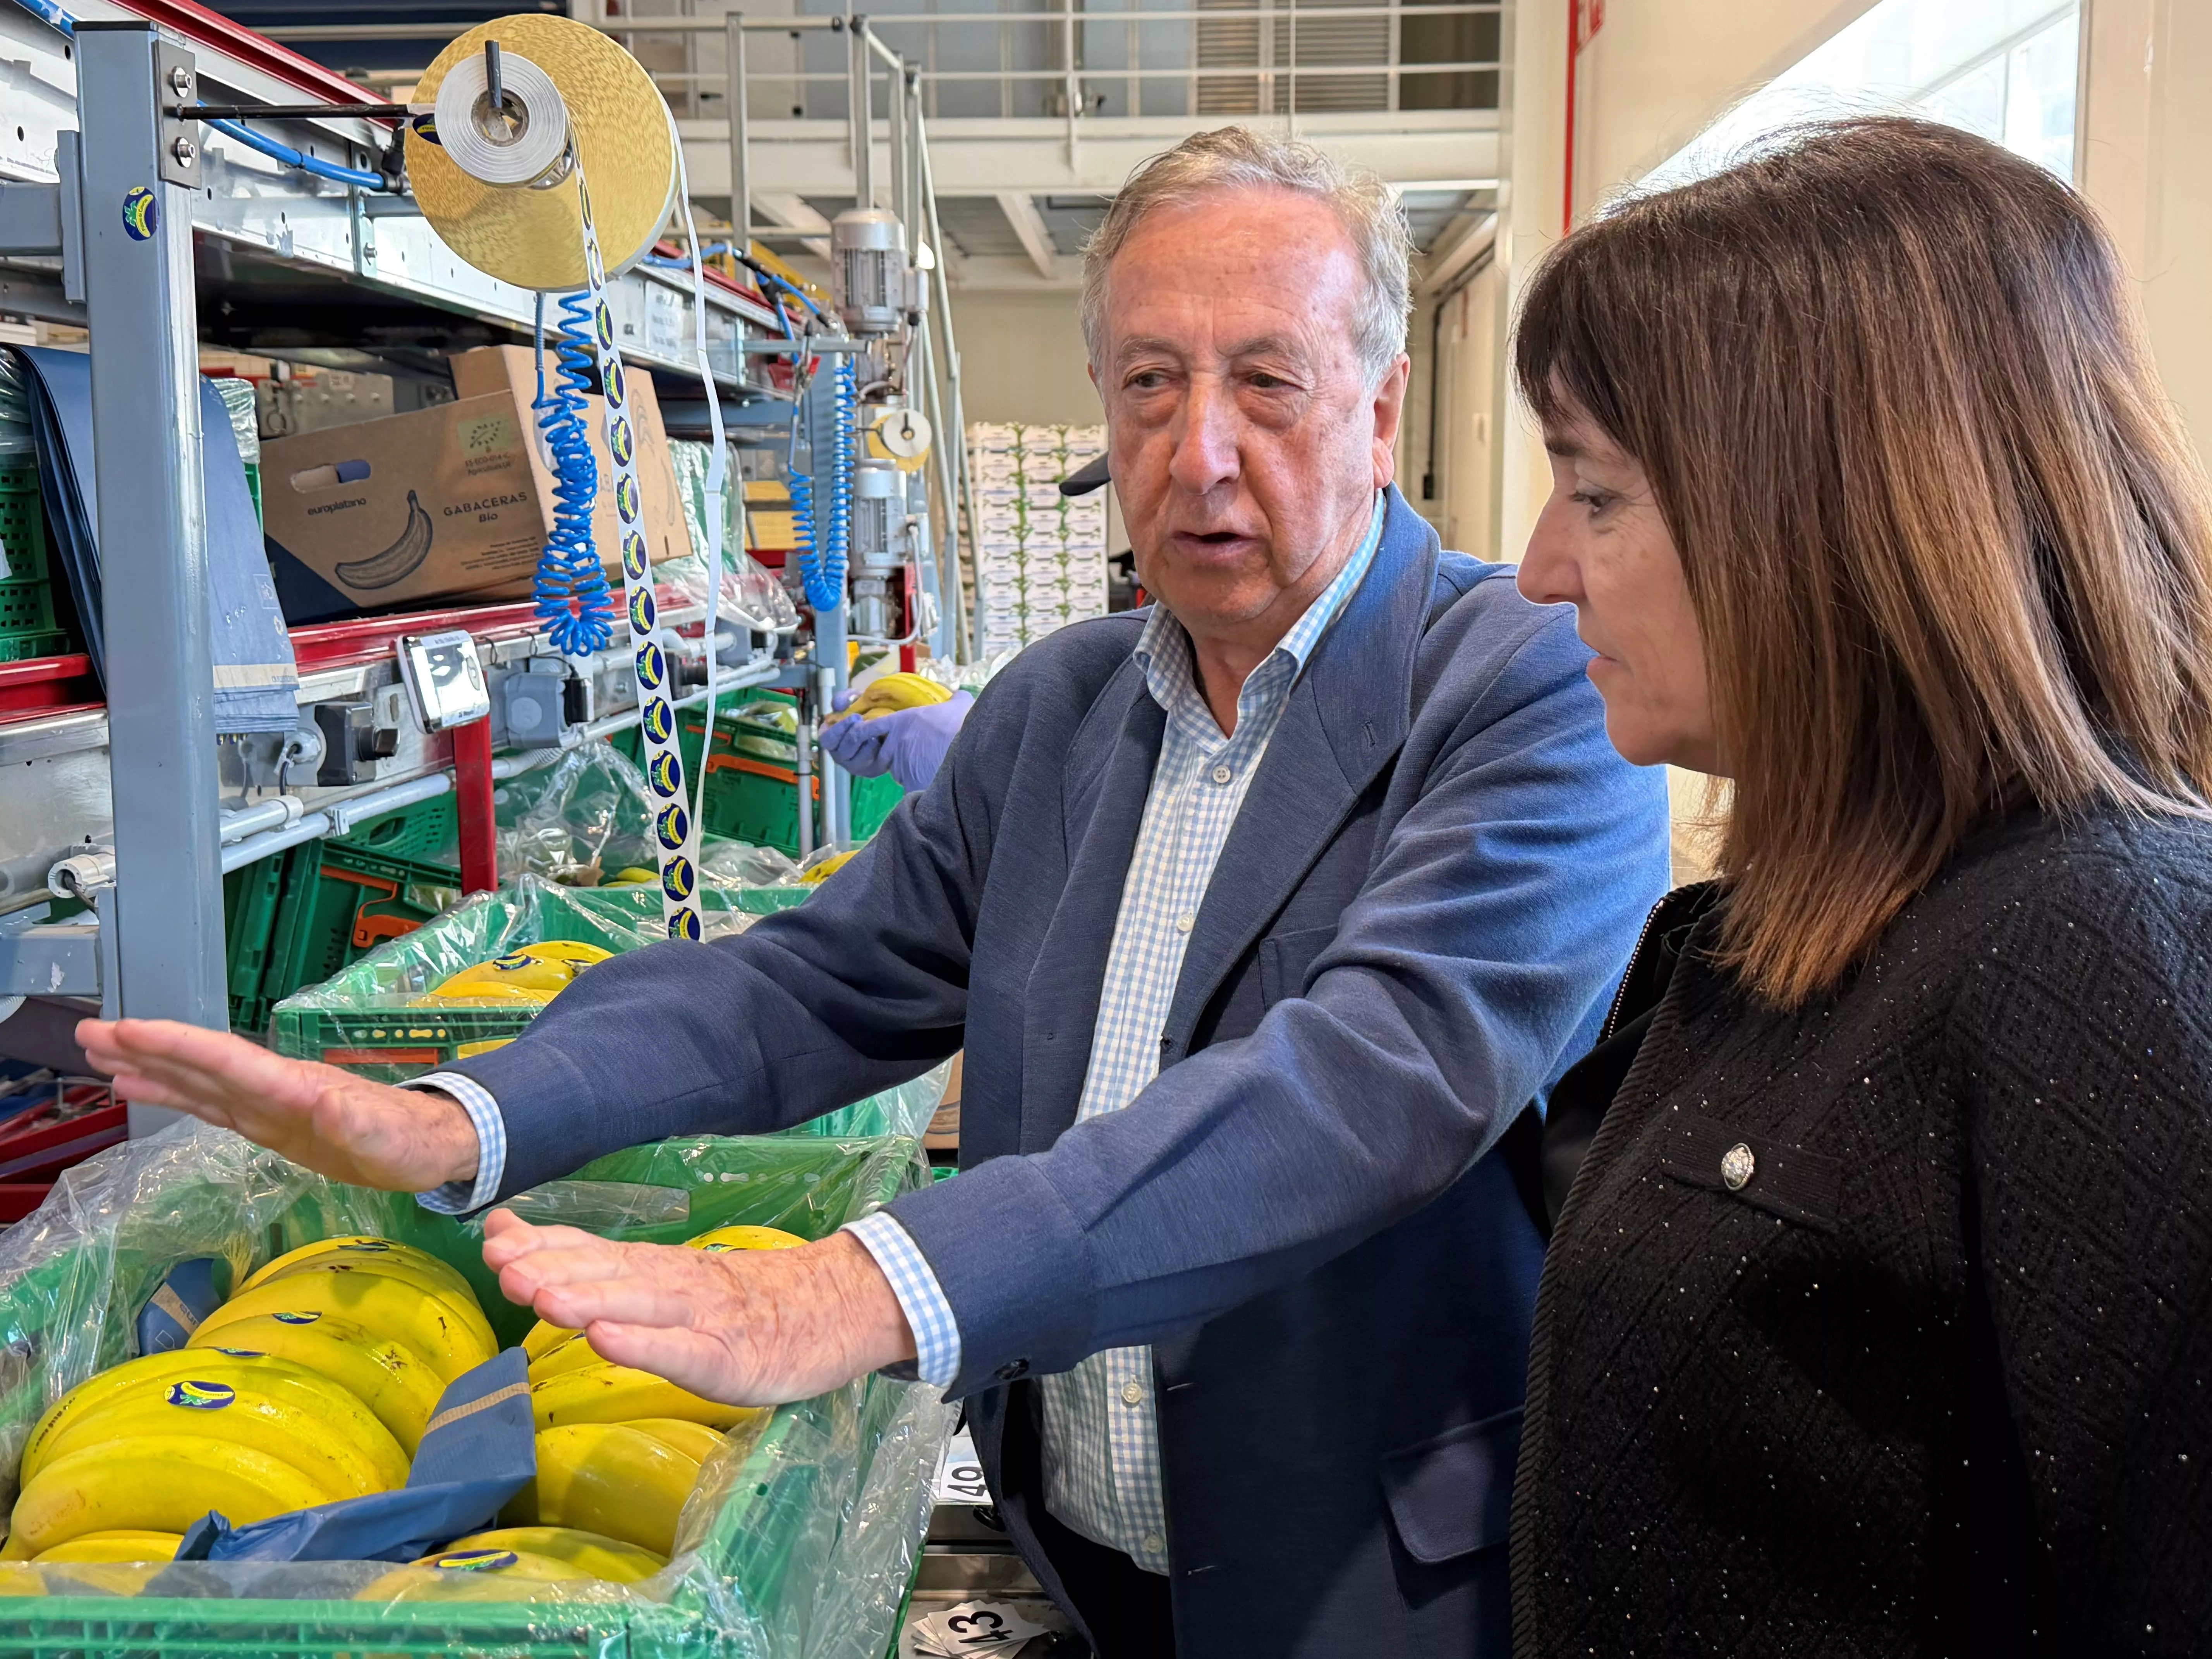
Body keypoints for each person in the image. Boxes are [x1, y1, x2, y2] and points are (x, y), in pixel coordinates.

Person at [80, 127, 1672, 1654]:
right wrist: (464, 1117)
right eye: (1148, 384)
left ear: (1381, 410)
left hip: (1376, 1584)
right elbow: (810, 983)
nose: (1199, 453)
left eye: (1268, 382)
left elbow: (1373, 1083)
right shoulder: (1060, 710)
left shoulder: (1529, 688)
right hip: (1086, 1558)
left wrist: (868, 1285)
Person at [1509, 117, 2212, 1653]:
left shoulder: (2088, 953)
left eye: (1596, 492)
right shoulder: (1824, 923)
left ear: (1815, 519)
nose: (1542, 567)